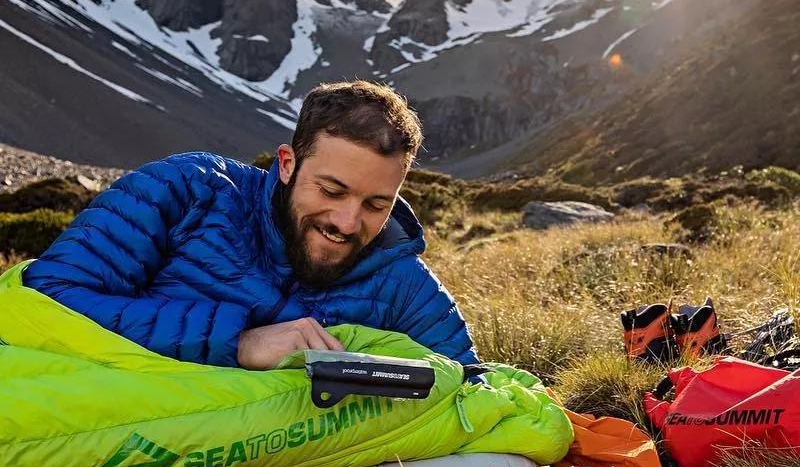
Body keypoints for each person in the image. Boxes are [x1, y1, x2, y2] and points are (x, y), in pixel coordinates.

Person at [23, 80, 477, 369]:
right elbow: (44, 303)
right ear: (286, 164)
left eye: (376, 204)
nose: (347, 221)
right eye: (331, 191)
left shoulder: (403, 282)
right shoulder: (188, 190)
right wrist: (236, 342)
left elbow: (473, 385)